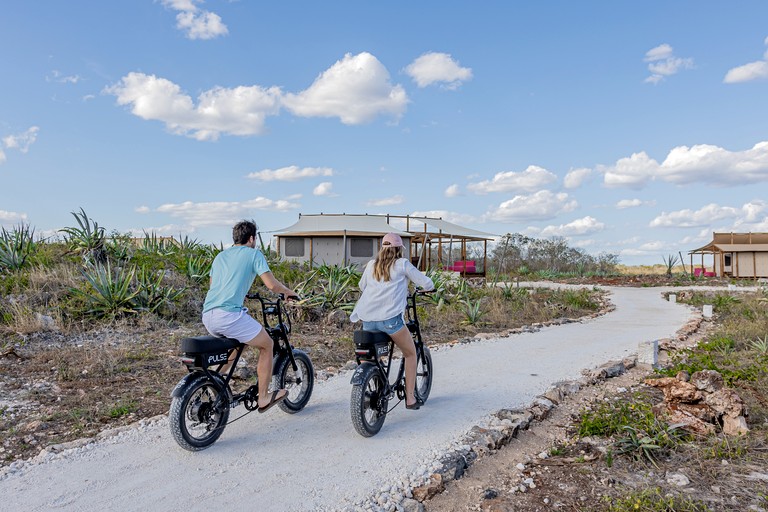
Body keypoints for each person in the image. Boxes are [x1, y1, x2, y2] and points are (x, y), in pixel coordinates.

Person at [202, 220, 298, 413]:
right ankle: (263, 397)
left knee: (239, 344)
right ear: (252, 238)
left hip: (208, 315)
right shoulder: (254, 254)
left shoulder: (220, 256)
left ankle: (212, 381)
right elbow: (271, 285)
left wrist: (240, 291)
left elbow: (215, 285)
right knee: (267, 344)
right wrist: (289, 292)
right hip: (229, 316)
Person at [350, 233, 434, 410]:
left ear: (382, 248)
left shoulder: (371, 265)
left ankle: (371, 384)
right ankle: (410, 399)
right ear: (398, 249)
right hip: (390, 321)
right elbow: (426, 283)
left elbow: (361, 286)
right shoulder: (402, 264)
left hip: (368, 320)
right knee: (410, 353)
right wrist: (427, 288)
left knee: (371, 357)